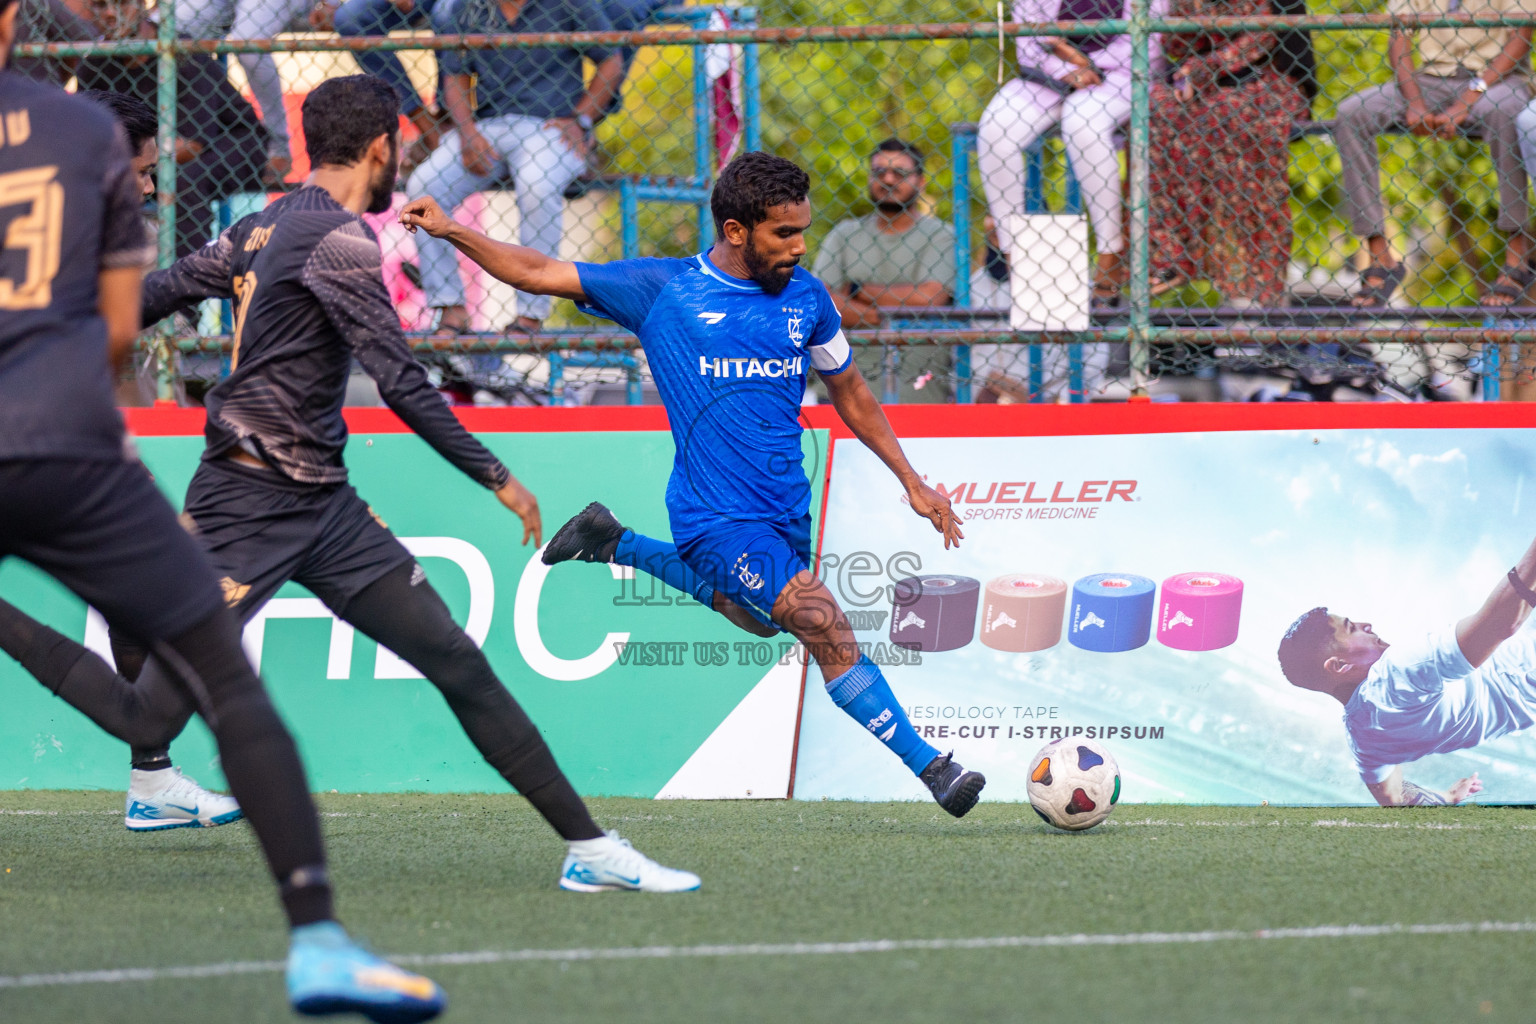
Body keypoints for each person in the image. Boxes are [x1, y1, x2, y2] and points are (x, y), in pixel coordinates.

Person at [3, 74, 699, 893]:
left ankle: (590, 847)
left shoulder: (261, 227)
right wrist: (498, 476)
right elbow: (400, 383)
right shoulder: (342, 240)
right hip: (245, 504)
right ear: (382, 148)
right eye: (400, 145)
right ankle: (141, 772)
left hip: (323, 508)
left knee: (456, 661)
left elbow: (152, 295)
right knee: (147, 714)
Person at [0, 11, 443, 1018]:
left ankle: (151, 780)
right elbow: (118, 325)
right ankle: (318, 941)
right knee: (219, 675)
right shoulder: (77, 137)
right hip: (49, 432)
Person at [400, 151, 989, 817]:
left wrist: (912, 481)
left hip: (783, 511)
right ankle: (934, 768)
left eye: (803, 231)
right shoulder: (665, 290)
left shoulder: (809, 299)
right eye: (784, 235)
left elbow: (849, 390)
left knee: (762, 623)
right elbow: (536, 271)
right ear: (737, 231)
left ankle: (614, 541)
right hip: (711, 517)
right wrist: (452, 230)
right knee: (824, 624)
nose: (799, 247)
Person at [408, 0, 624, 337]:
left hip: (551, 126)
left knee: (537, 183)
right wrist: (467, 133)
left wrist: (581, 120)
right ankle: (450, 309)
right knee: (424, 185)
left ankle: (529, 317)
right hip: (488, 126)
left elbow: (611, 61)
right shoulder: (467, 7)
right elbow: (455, 77)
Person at [1275, 529, 1536, 805]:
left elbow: (1392, 796)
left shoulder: (1365, 741)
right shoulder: (1397, 673)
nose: (1367, 625)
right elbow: (1500, 623)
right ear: (1340, 666)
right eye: (1351, 628)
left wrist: (1446, 797)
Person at [1335, 0, 1532, 308]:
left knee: (1507, 113)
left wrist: (1467, 100)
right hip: (1430, 79)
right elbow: (1399, 38)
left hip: (1495, 81)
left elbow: (1520, 39)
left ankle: (1516, 257)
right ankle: (1380, 255)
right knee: (1351, 113)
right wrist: (1414, 101)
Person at [977, 0, 1165, 307]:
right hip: (1050, 73)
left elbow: (1150, 42)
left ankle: (1110, 251)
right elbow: (1028, 42)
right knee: (996, 128)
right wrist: (1068, 67)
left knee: (1084, 122)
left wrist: (1087, 62)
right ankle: (1015, 253)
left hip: (1123, 73)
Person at [1147, 0, 1314, 307]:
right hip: (1206, 83)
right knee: (1157, 108)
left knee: (1230, 116)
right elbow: (1174, 43)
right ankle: (1170, 254)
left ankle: (1256, 273)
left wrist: (1203, 69)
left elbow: (1261, 37)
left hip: (1269, 75)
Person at [73, 0, 267, 257]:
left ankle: (183, 282)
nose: (110, 13)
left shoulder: (182, 52)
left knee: (184, 181)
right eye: (99, 5)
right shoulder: (94, 64)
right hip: (144, 156)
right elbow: (86, 140)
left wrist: (120, 164)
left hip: (229, 142)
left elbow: (191, 145)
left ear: (142, 5)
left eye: (120, 3)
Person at [811, 138, 957, 402]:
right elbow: (823, 304)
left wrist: (858, 291)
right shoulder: (844, 235)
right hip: (842, 392)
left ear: (921, 181)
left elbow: (931, 297)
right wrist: (897, 319)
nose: (888, 179)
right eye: (879, 172)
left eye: (900, 173)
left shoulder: (942, 236)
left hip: (919, 395)